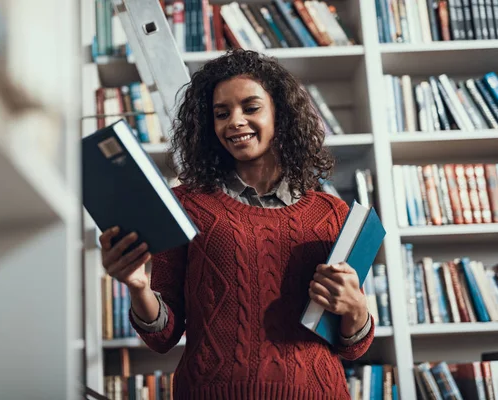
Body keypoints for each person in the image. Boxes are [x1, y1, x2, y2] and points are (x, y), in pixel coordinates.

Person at [99, 49, 373, 399]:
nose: (235, 121)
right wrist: (137, 286)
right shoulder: (186, 204)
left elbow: (352, 346)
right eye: (221, 113)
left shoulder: (332, 213)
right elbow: (163, 336)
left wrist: (357, 308)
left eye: (251, 107)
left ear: (280, 113)